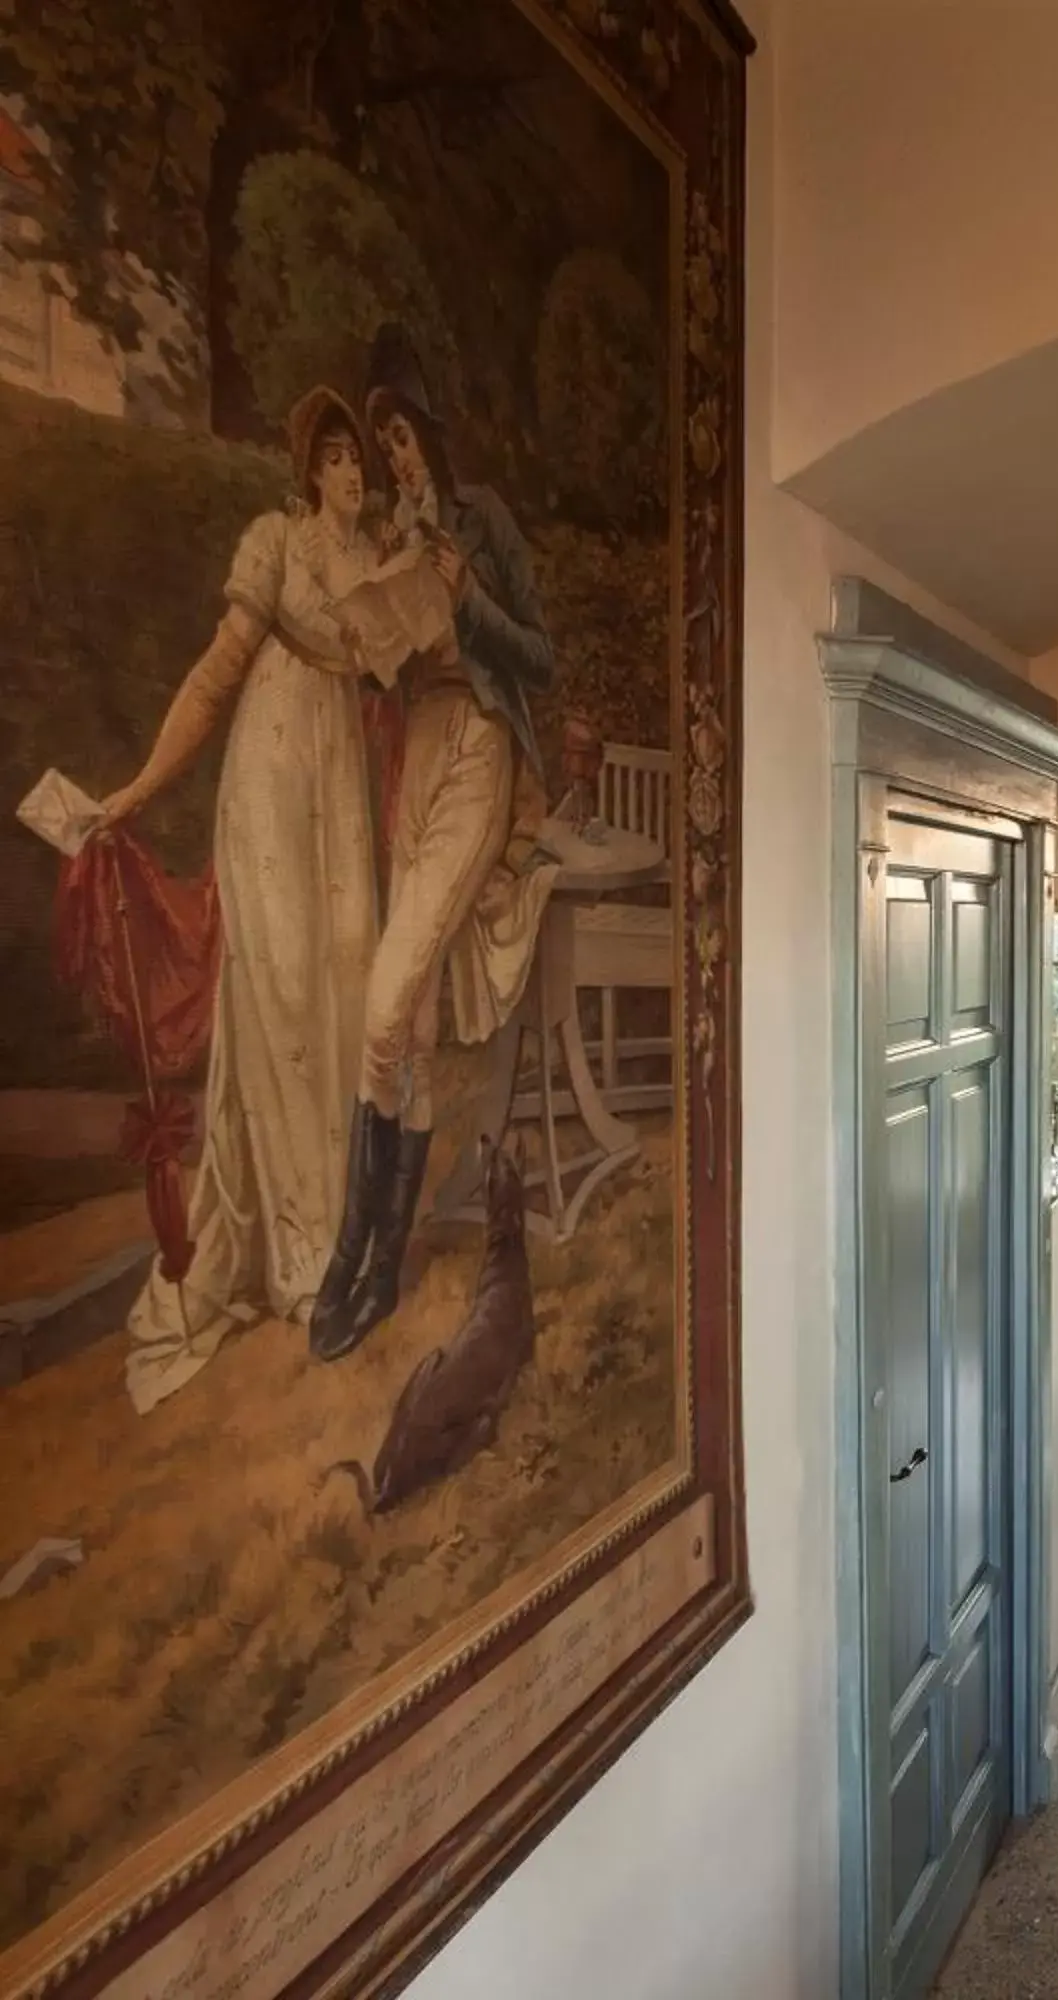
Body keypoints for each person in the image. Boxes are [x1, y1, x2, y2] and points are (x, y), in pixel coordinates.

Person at [98, 388, 388, 1412]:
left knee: (349, 997)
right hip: (270, 779)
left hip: (338, 798)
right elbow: (220, 672)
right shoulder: (278, 541)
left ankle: (339, 1238)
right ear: (310, 473)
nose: (351, 474)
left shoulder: (378, 569)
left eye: (361, 461)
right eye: (336, 459)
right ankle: (300, 1263)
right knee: (287, 1009)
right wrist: (139, 785)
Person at [309, 327, 560, 1361]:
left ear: (434, 441)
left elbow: (539, 657)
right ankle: (370, 1260)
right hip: (415, 750)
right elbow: (380, 661)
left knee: (387, 988)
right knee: (401, 1017)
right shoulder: (385, 534)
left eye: (406, 442)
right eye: (386, 449)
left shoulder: (480, 520)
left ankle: (358, 1244)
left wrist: (469, 599)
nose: (398, 463)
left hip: (481, 750)